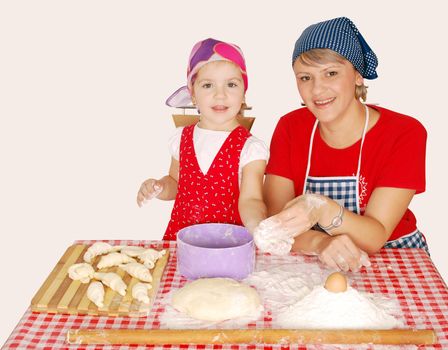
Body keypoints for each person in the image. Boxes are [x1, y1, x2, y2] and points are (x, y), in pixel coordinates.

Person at [259, 17, 427, 272]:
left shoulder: (404, 133)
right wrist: (319, 242)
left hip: (394, 258)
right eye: (305, 77)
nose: (317, 89)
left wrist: (321, 209)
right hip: (315, 257)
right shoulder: (290, 127)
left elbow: (375, 235)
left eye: (331, 73)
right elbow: (276, 225)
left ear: (357, 76)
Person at [137, 38, 268, 240]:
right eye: (208, 85)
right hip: (181, 241)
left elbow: (251, 199)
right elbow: (175, 183)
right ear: (193, 95)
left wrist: (257, 225)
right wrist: (159, 187)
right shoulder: (181, 138)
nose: (220, 95)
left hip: (228, 245)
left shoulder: (250, 148)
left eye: (231, 84)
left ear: (243, 94)